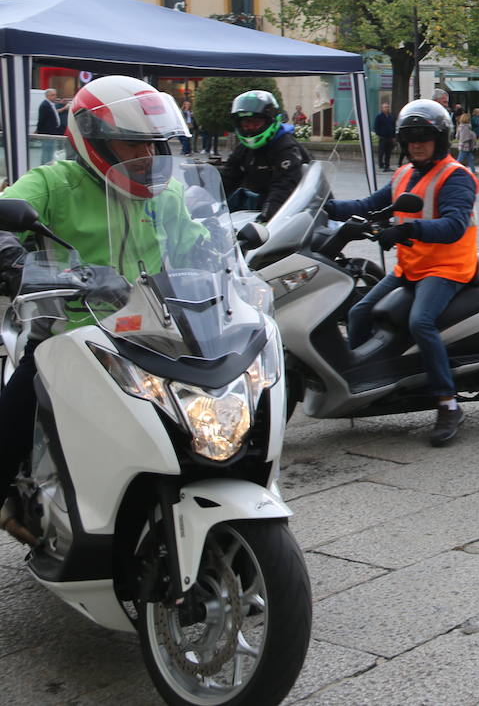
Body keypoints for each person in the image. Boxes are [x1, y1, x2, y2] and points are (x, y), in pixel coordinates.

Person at [0, 76, 199, 513]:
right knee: (9, 425)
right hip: (65, 337)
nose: (148, 156)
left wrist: (235, 256)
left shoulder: (168, 195)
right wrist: (15, 263)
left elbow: (201, 246)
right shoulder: (54, 183)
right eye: (133, 145)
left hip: (150, 336)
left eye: (155, 145)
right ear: (98, 142)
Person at [323, 100, 479, 447]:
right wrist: (322, 206)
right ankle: (363, 385)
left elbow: (454, 225)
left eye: (424, 138)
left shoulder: (456, 177)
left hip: (447, 266)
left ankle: (448, 403)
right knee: (359, 310)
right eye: (410, 139)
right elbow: (368, 206)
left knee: (420, 322)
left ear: (440, 140)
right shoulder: (404, 174)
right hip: (412, 266)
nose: (417, 144)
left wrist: (408, 231)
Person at [219, 90, 312, 222]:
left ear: (270, 120)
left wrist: (266, 217)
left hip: (299, 213)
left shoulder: (285, 147)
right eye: (245, 124)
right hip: (262, 207)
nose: (250, 128)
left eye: (256, 123)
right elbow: (228, 178)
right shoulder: (244, 148)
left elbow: (284, 186)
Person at [34, 88, 67, 164]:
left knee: (50, 150)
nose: (55, 97)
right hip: (47, 132)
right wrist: (38, 131)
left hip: (52, 131)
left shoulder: (51, 104)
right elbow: (41, 120)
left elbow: (55, 115)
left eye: (55, 95)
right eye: (52, 95)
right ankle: (45, 165)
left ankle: (46, 164)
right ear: (47, 96)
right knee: (47, 151)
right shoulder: (45, 105)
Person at [374, 101, 396, 172]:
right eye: (385, 107)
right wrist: (379, 134)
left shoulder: (390, 116)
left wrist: (393, 136)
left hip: (390, 137)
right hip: (383, 136)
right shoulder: (379, 116)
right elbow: (376, 126)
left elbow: (393, 126)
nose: (386, 108)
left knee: (388, 152)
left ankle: (387, 165)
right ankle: (381, 164)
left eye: (387, 107)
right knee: (381, 151)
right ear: (382, 108)